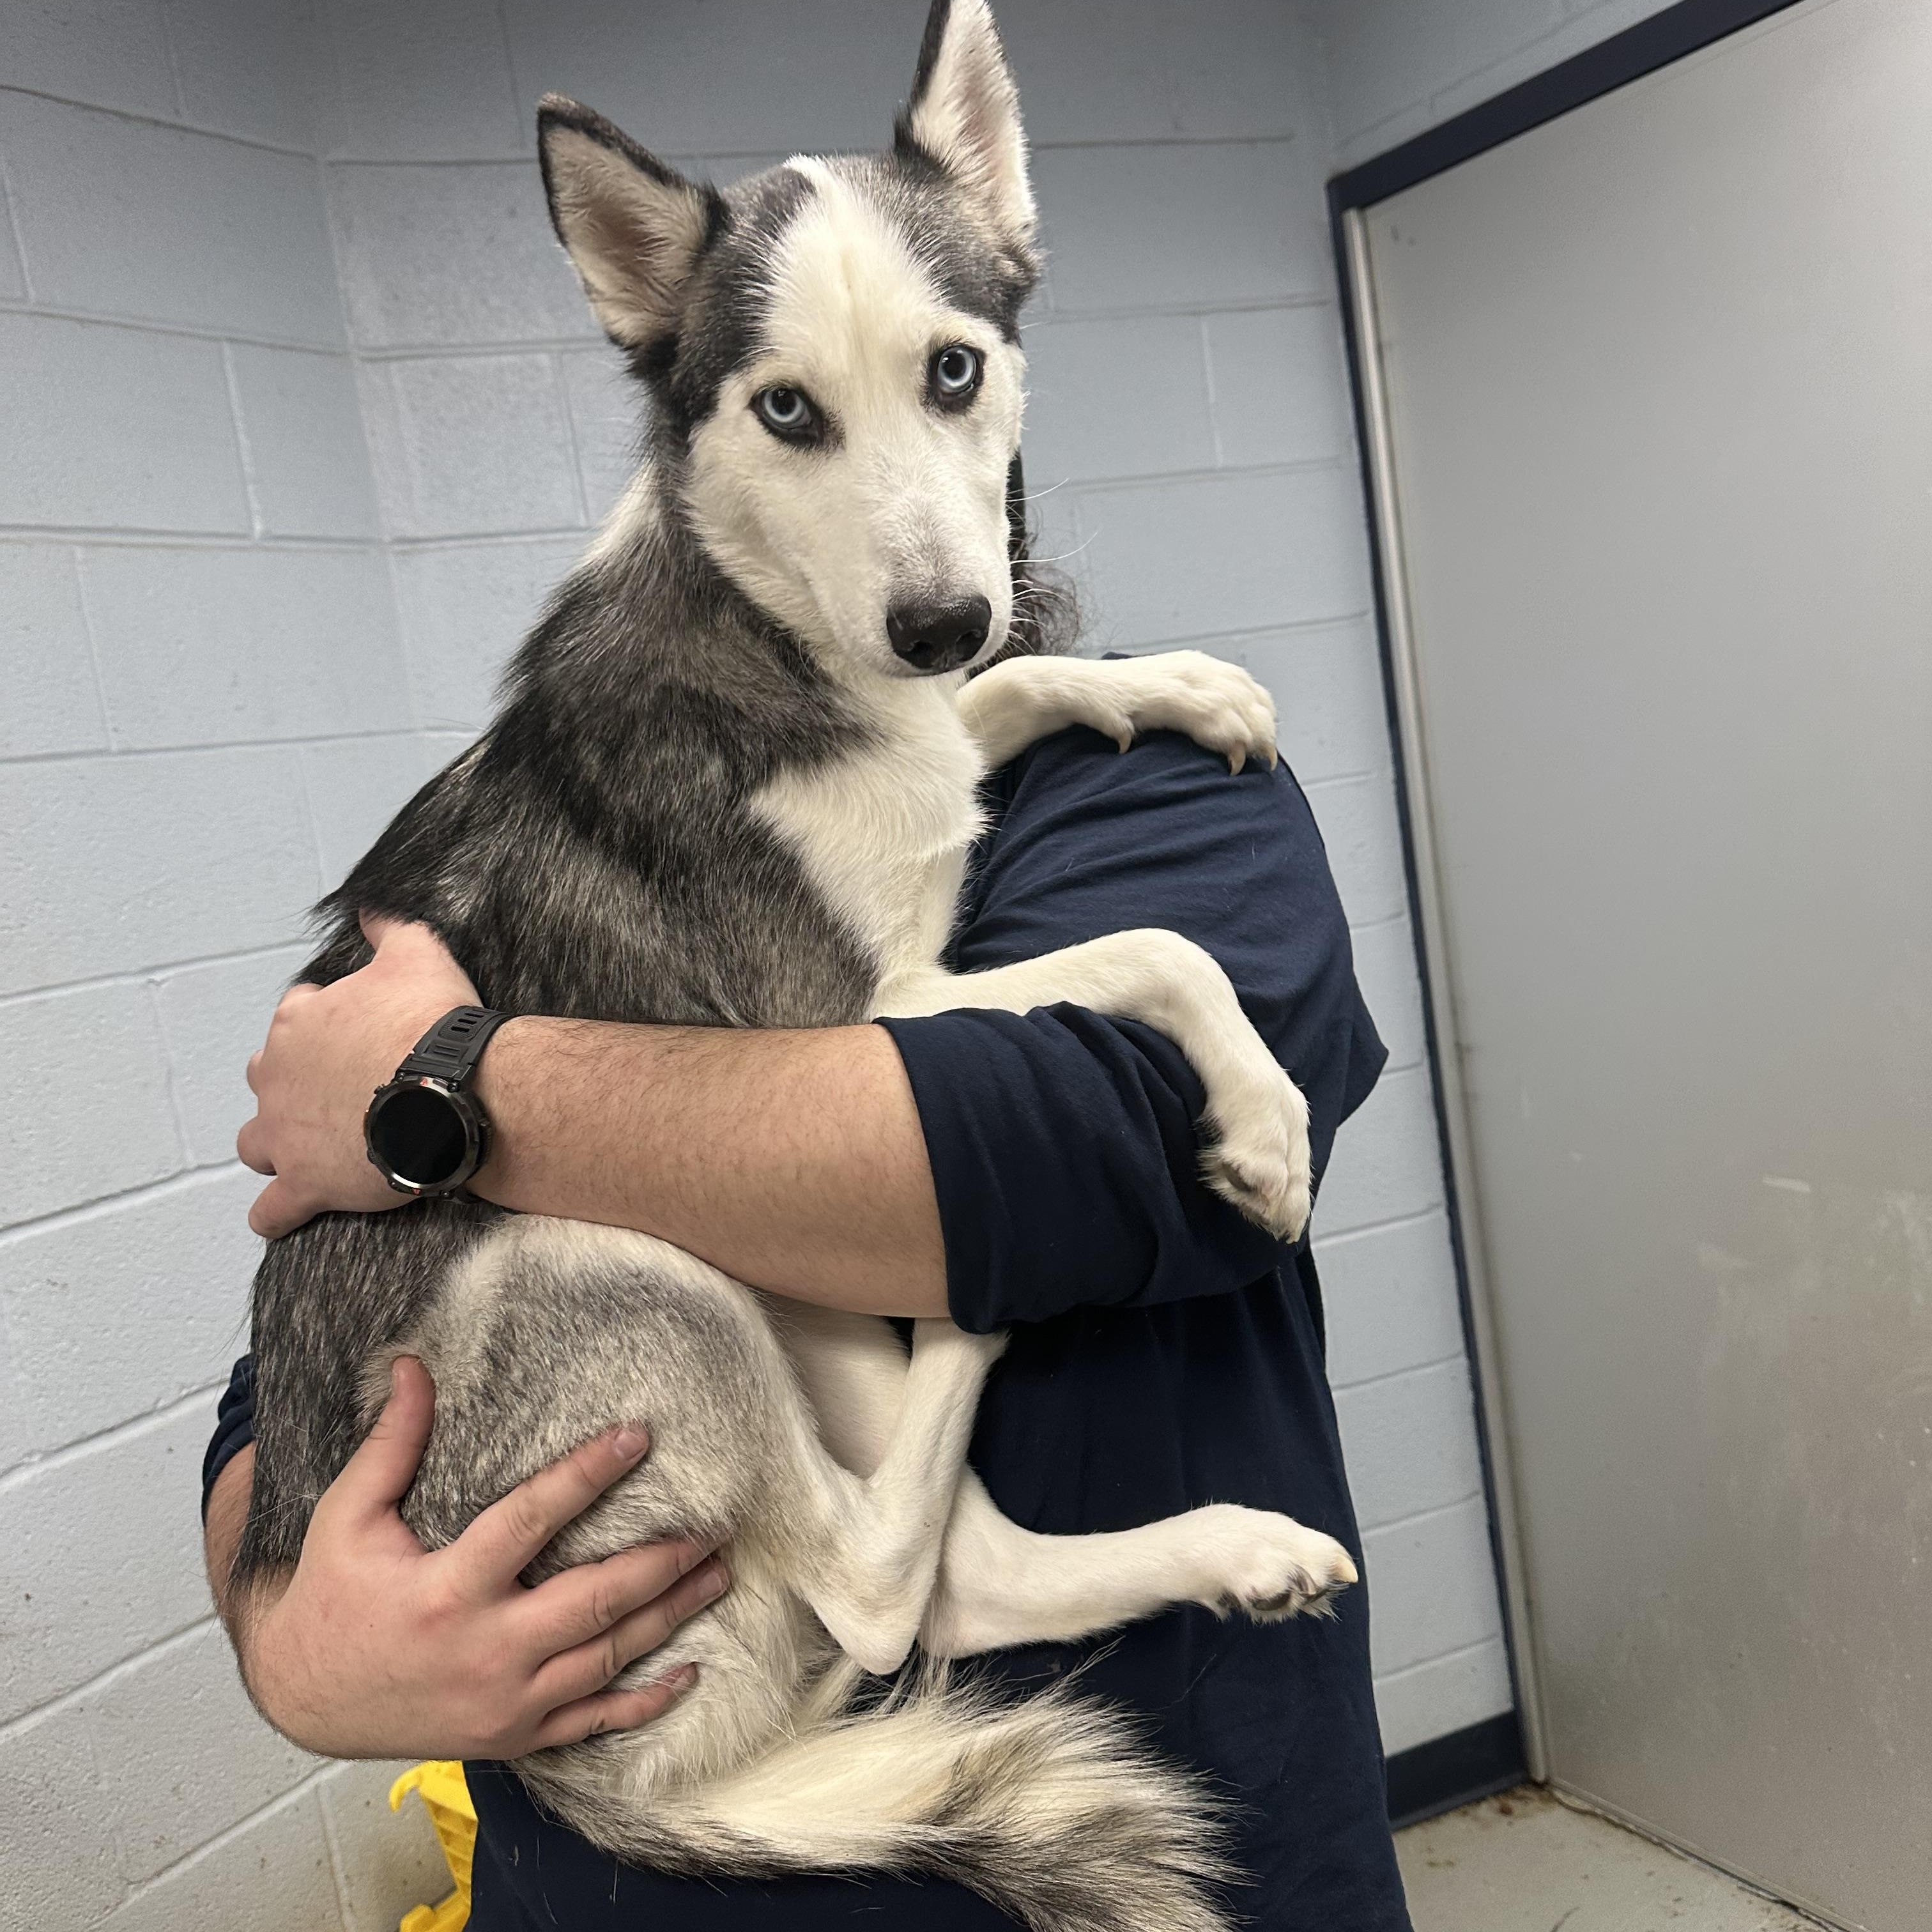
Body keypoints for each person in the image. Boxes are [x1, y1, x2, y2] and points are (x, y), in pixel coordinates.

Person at [203, 712, 1414, 1930]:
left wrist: (445, 1089)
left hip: (1181, 1807)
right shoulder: (611, 796)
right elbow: (292, 1377)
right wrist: (293, 1654)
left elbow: (1070, 1145)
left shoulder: (1150, 769)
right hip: (612, 1862)